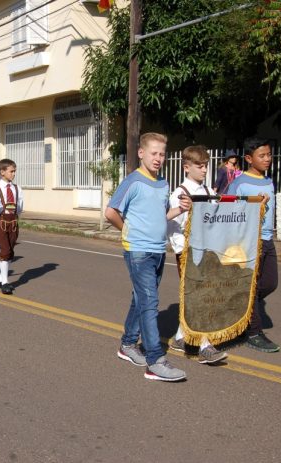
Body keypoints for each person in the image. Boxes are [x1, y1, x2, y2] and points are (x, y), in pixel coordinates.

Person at [105, 132, 192, 382]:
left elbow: (161, 215)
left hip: (158, 250)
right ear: (141, 153)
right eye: (154, 153)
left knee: (141, 298)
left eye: (162, 154)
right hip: (138, 251)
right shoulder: (133, 181)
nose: (158, 158)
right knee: (150, 302)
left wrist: (179, 209)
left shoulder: (163, 184)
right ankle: (155, 361)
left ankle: (128, 345)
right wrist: (127, 230)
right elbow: (110, 212)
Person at [167, 145, 227, 364]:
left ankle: (180, 338)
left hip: (208, 252)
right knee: (201, 296)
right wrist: (182, 252)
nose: (204, 170)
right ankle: (205, 346)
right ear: (186, 167)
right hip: (189, 253)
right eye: (199, 166)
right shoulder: (180, 193)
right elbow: (174, 227)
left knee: (201, 294)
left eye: (205, 166)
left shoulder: (209, 191)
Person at [227, 137, 279, 352]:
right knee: (251, 287)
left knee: (269, 283)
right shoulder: (239, 183)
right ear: (249, 159)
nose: (267, 159)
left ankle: (243, 308)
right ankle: (254, 332)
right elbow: (227, 207)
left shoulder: (268, 181)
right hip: (248, 240)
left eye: (269, 155)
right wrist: (253, 204)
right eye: (262, 156)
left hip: (267, 239)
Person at [0, 158, 24, 295]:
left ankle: (1, 278)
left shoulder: (17, 188)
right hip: (1, 221)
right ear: (2, 172)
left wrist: (15, 212)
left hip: (13, 221)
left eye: (14, 171)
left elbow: (19, 207)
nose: (13, 174)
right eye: (11, 171)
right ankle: (5, 282)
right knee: (5, 250)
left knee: (10, 251)